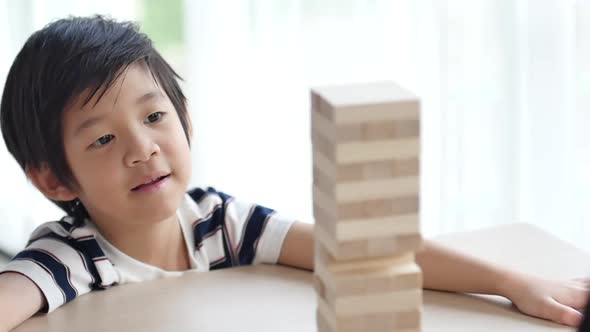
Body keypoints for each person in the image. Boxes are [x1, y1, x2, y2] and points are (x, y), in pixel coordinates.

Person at [0, 15, 587, 332]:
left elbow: (368, 253)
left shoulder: (221, 222)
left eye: (155, 116)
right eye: (103, 138)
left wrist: (512, 284)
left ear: (187, 122)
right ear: (55, 180)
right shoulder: (72, 256)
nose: (142, 148)